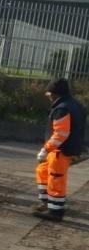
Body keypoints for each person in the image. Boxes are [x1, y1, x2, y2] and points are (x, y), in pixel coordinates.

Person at [34, 77, 87, 222]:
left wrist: (45, 149)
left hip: (60, 151)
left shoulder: (62, 108)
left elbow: (60, 134)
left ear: (54, 94)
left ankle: (55, 212)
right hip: (66, 148)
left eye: (49, 93)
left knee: (56, 178)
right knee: (43, 170)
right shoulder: (75, 105)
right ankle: (47, 202)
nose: (48, 96)